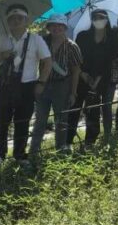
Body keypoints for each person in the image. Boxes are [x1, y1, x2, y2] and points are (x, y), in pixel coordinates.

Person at [0, 4, 51, 164]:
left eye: (19, 18)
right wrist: (3, 55)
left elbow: (47, 61)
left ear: (26, 20)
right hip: (4, 85)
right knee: (1, 121)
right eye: (12, 18)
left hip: (27, 86)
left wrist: (41, 82)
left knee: (22, 122)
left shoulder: (36, 39)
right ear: (7, 21)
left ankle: (20, 155)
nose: (16, 21)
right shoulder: (0, 39)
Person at [29, 15, 82, 156]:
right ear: (48, 27)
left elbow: (76, 71)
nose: (56, 28)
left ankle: (61, 149)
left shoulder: (72, 46)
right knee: (40, 118)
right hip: (43, 84)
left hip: (62, 85)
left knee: (61, 119)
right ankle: (34, 151)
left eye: (60, 26)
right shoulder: (42, 42)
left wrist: (73, 92)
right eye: (53, 25)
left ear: (65, 28)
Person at [67, 9, 118, 148]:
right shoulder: (82, 36)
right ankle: (68, 142)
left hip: (100, 80)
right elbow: (77, 58)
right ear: (92, 20)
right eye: (95, 17)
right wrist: (83, 74)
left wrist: (96, 81)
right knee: (74, 109)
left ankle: (90, 142)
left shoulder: (112, 38)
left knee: (93, 110)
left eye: (102, 17)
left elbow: (111, 60)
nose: (99, 20)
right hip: (80, 78)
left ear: (107, 19)